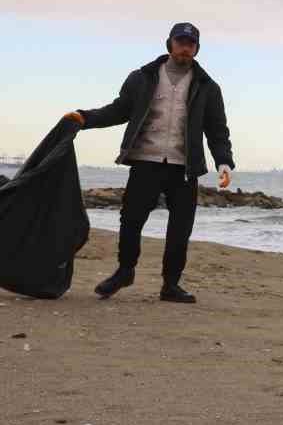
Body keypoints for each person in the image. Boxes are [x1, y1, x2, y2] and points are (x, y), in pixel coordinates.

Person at [64, 22, 234, 304]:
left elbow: (217, 130)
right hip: (145, 160)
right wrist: (85, 118)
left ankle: (170, 285)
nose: (184, 48)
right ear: (169, 44)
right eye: (180, 42)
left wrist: (224, 162)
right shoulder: (142, 78)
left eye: (190, 44)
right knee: (130, 220)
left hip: (184, 167)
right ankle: (125, 270)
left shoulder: (207, 87)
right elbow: (119, 110)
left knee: (181, 228)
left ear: (197, 49)